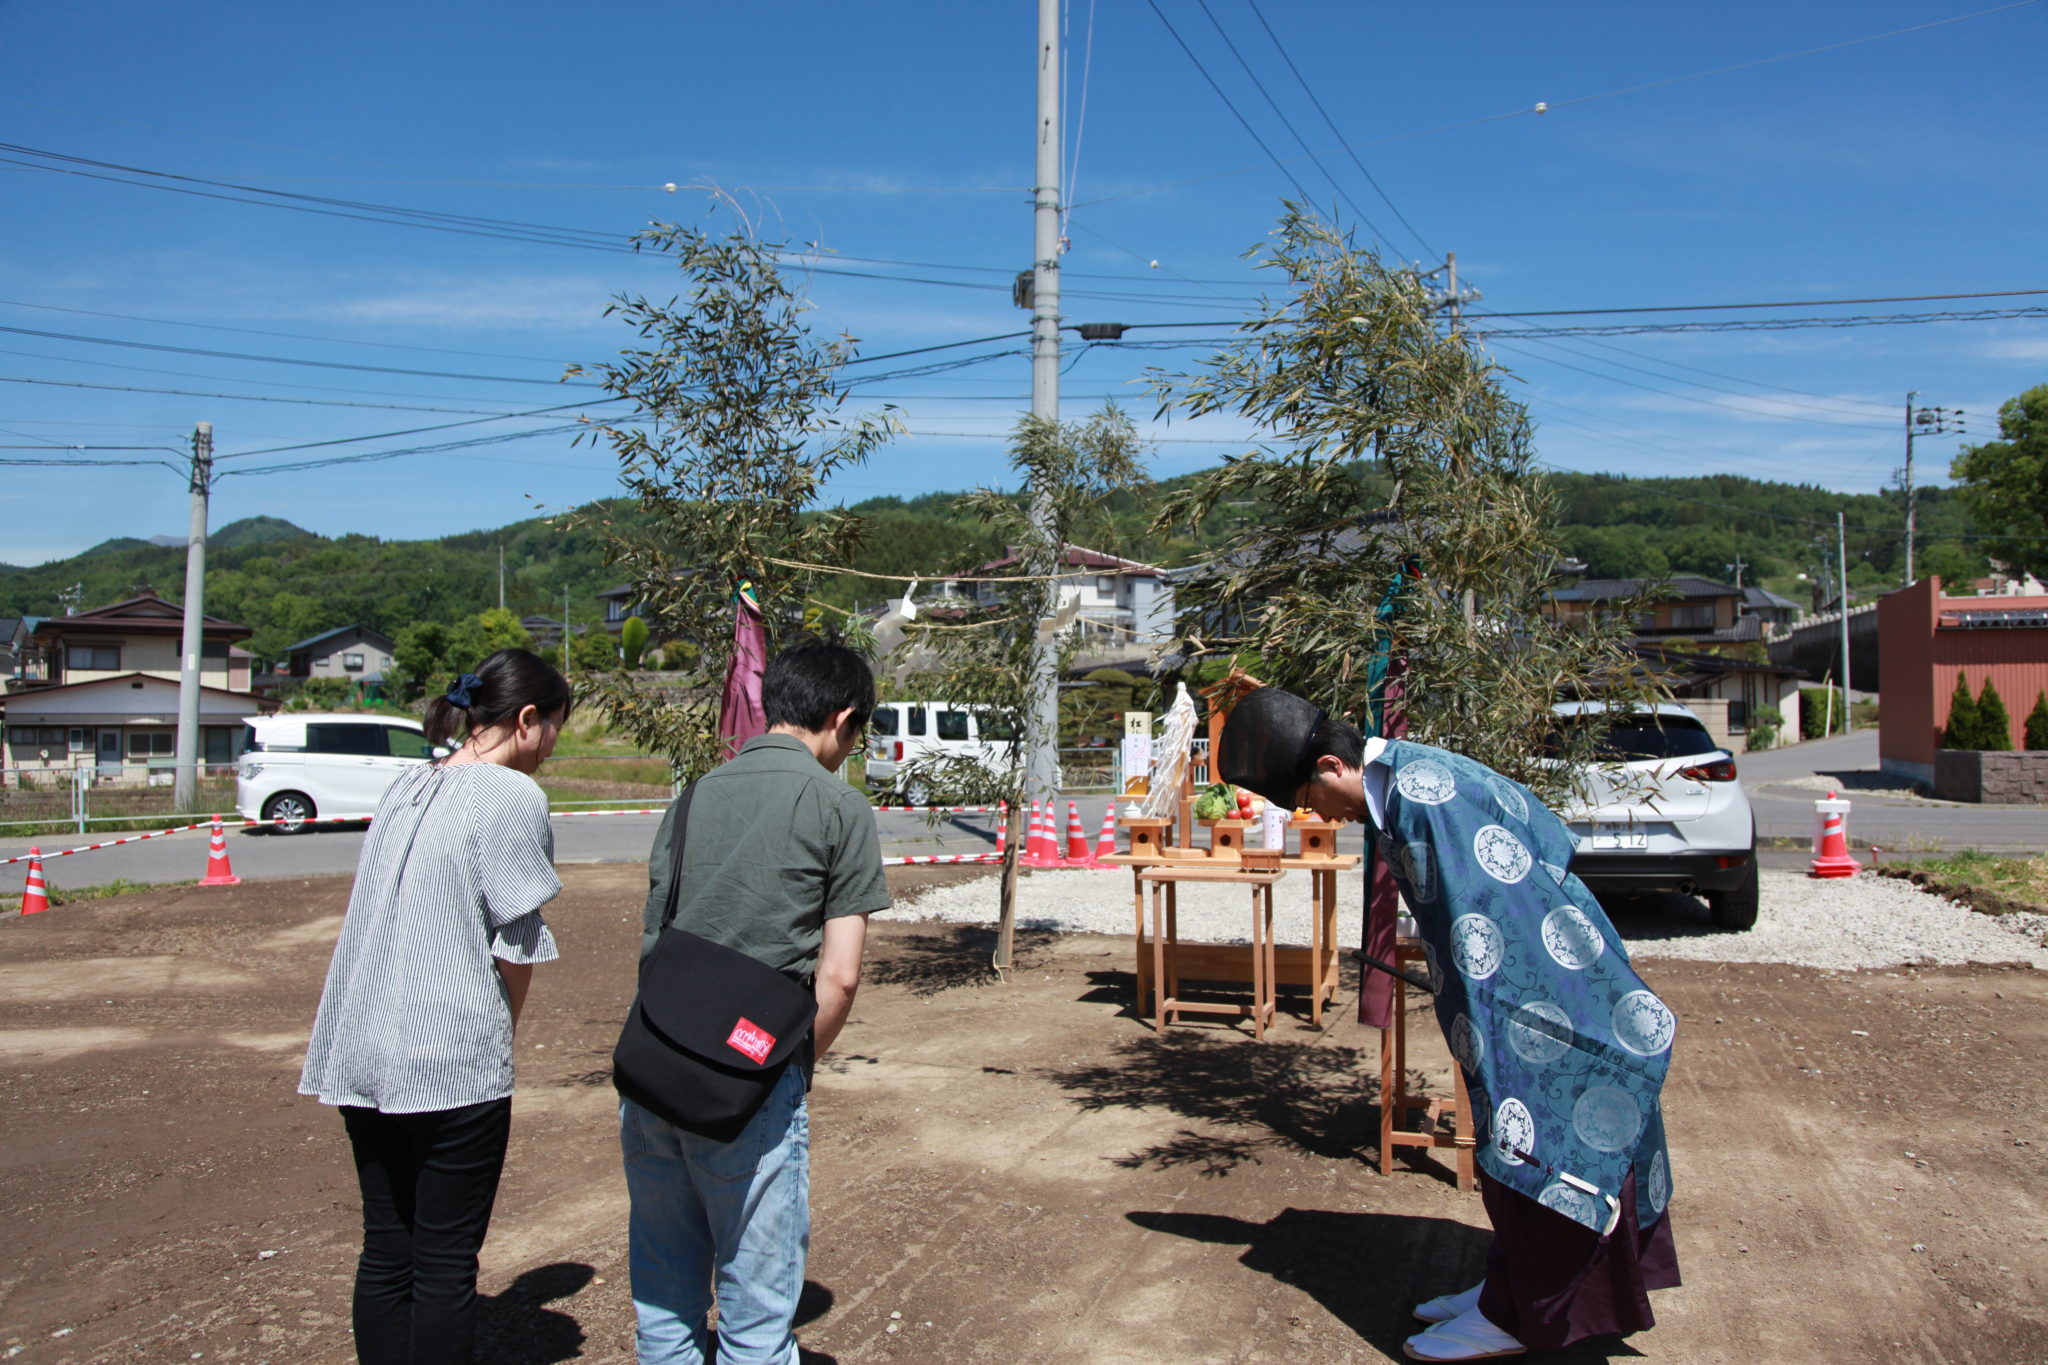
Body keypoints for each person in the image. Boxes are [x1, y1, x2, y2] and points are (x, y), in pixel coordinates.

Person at [1219, 687, 1680, 1363]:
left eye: (1307, 799)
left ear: (1329, 765)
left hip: (1538, 994)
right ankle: (1509, 1286)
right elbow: (1542, 829)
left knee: (1530, 1140)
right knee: (1500, 1138)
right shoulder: (1406, 778)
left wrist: (1493, 1014)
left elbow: (1488, 919)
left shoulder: (1423, 800)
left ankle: (1523, 1315)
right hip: (1506, 989)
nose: (1316, 815)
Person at [621, 640, 892, 1365]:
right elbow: (838, 977)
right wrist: (794, 1062)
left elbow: (656, 939)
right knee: (755, 1317)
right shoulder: (841, 807)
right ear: (842, 718)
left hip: (654, 1067)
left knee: (664, 1301)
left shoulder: (693, 798)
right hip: (749, 1079)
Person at [299, 648, 572, 1364]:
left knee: (388, 1245)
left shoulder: (406, 786)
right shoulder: (513, 796)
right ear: (525, 719)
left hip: (360, 1046)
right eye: (552, 732)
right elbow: (516, 943)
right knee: (446, 1260)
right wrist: (498, 1032)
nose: (549, 749)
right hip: (449, 1056)